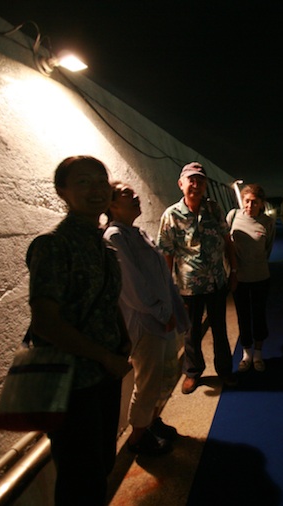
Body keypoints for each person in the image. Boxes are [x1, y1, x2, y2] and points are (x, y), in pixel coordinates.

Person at [26, 155, 132, 505]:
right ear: (62, 191)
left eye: (101, 181)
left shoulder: (102, 244)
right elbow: (46, 321)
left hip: (104, 376)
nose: (96, 189)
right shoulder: (53, 244)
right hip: (71, 383)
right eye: (83, 182)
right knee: (80, 479)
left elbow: (107, 302)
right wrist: (105, 356)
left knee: (101, 465)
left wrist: (123, 341)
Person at [104, 182, 189, 455]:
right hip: (145, 324)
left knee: (165, 376)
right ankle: (137, 439)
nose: (136, 196)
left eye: (134, 192)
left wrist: (175, 310)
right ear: (111, 204)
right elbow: (132, 288)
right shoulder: (115, 237)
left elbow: (162, 277)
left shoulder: (138, 233)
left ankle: (152, 422)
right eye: (127, 194)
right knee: (148, 383)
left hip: (162, 320)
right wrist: (163, 313)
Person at [157, 162, 238, 394]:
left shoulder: (214, 209)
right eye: (191, 180)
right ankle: (193, 372)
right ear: (181, 184)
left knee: (220, 329)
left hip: (216, 282)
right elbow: (167, 253)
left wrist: (234, 270)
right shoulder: (171, 215)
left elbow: (227, 241)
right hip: (188, 286)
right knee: (191, 331)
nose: (196, 185)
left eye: (200, 181)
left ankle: (224, 370)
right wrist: (168, 288)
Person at [226, 184, 276, 372]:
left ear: (261, 203)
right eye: (247, 201)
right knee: (243, 316)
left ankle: (258, 354)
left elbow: (267, 248)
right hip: (239, 278)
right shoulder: (233, 217)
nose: (249, 206)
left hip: (260, 277)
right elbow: (227, 244)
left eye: (254, 202)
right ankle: (246, 354)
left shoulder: (267, 223)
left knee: (259, 316)